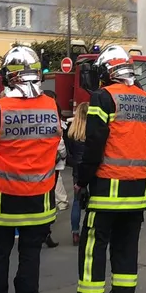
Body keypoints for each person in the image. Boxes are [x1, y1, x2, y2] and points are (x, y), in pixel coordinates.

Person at [60, 46, 146, 293]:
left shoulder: (103, 97)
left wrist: (82, 180)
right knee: (126, 248)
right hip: (137, 192)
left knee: (93, 247)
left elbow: (94, 142)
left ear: (107, 72)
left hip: (106, 191)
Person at [0, 46, 60, 293]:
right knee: (30, 258)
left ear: (8, 78)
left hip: (1, 199)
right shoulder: (51, 105)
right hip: (38, 199)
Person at [65, 102, 89, 245]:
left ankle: (75, 232)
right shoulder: (93, 130)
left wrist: (75, 164)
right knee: (93, 202)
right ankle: (90, 230)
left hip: (77, 170)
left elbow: (68, 154)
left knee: (77, 202)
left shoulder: (71, 132)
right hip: (91, 169)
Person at [43, 90, 69, 213]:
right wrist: (63, 154)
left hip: (47, 155)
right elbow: (59, 139)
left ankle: (59, 202)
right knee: (55, 179)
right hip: (54, 154)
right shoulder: (53, 114)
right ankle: (60, 202)